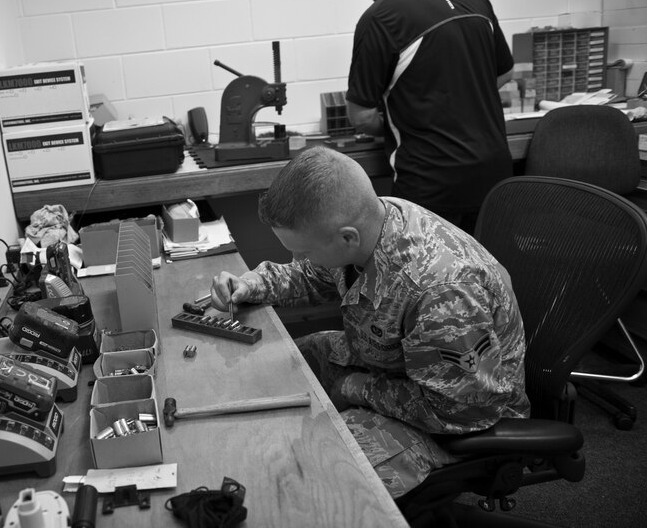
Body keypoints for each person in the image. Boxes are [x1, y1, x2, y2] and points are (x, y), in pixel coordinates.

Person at [209, 146, 530, 498]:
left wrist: (355, 388)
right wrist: (253, 284)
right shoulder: (371, 221)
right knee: (275, 370)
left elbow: (462, 410)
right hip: (399, 366)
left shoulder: (440, 291)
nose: (298, 257)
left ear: (348, 237)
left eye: (304, 250)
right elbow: (314, 273)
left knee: (313, 467)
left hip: (459, 422)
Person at [345, 0, 515, 234]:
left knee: (432, 265)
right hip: (494, 177)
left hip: (431, 183)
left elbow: (360, 115)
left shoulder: (379, 16)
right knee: (489, 262)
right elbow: (505, 73)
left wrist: (403, 119)